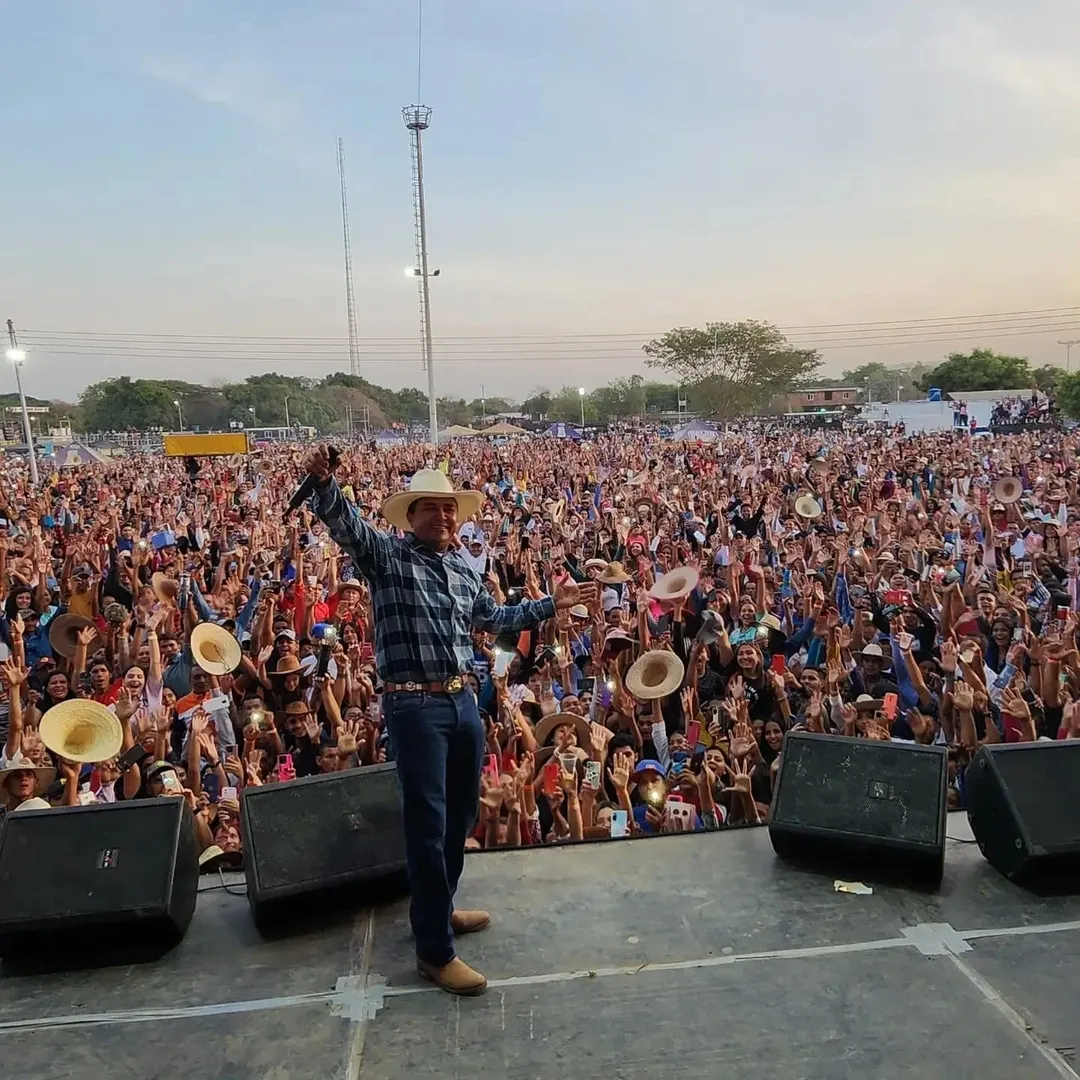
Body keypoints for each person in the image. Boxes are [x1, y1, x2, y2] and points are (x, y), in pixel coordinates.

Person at [302, 445, 597, 996]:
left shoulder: (463, 567)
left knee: (462, 815)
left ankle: (439, 908)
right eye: (430, 508)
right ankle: (434, 951)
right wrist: (324, 484)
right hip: (415, 706)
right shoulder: (388, 559)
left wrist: (550, 605)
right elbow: (347, 526)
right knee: (429, 826)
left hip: (464, 701)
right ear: (409, 516)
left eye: (449, 508)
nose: (442, 516)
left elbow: (494, 618)